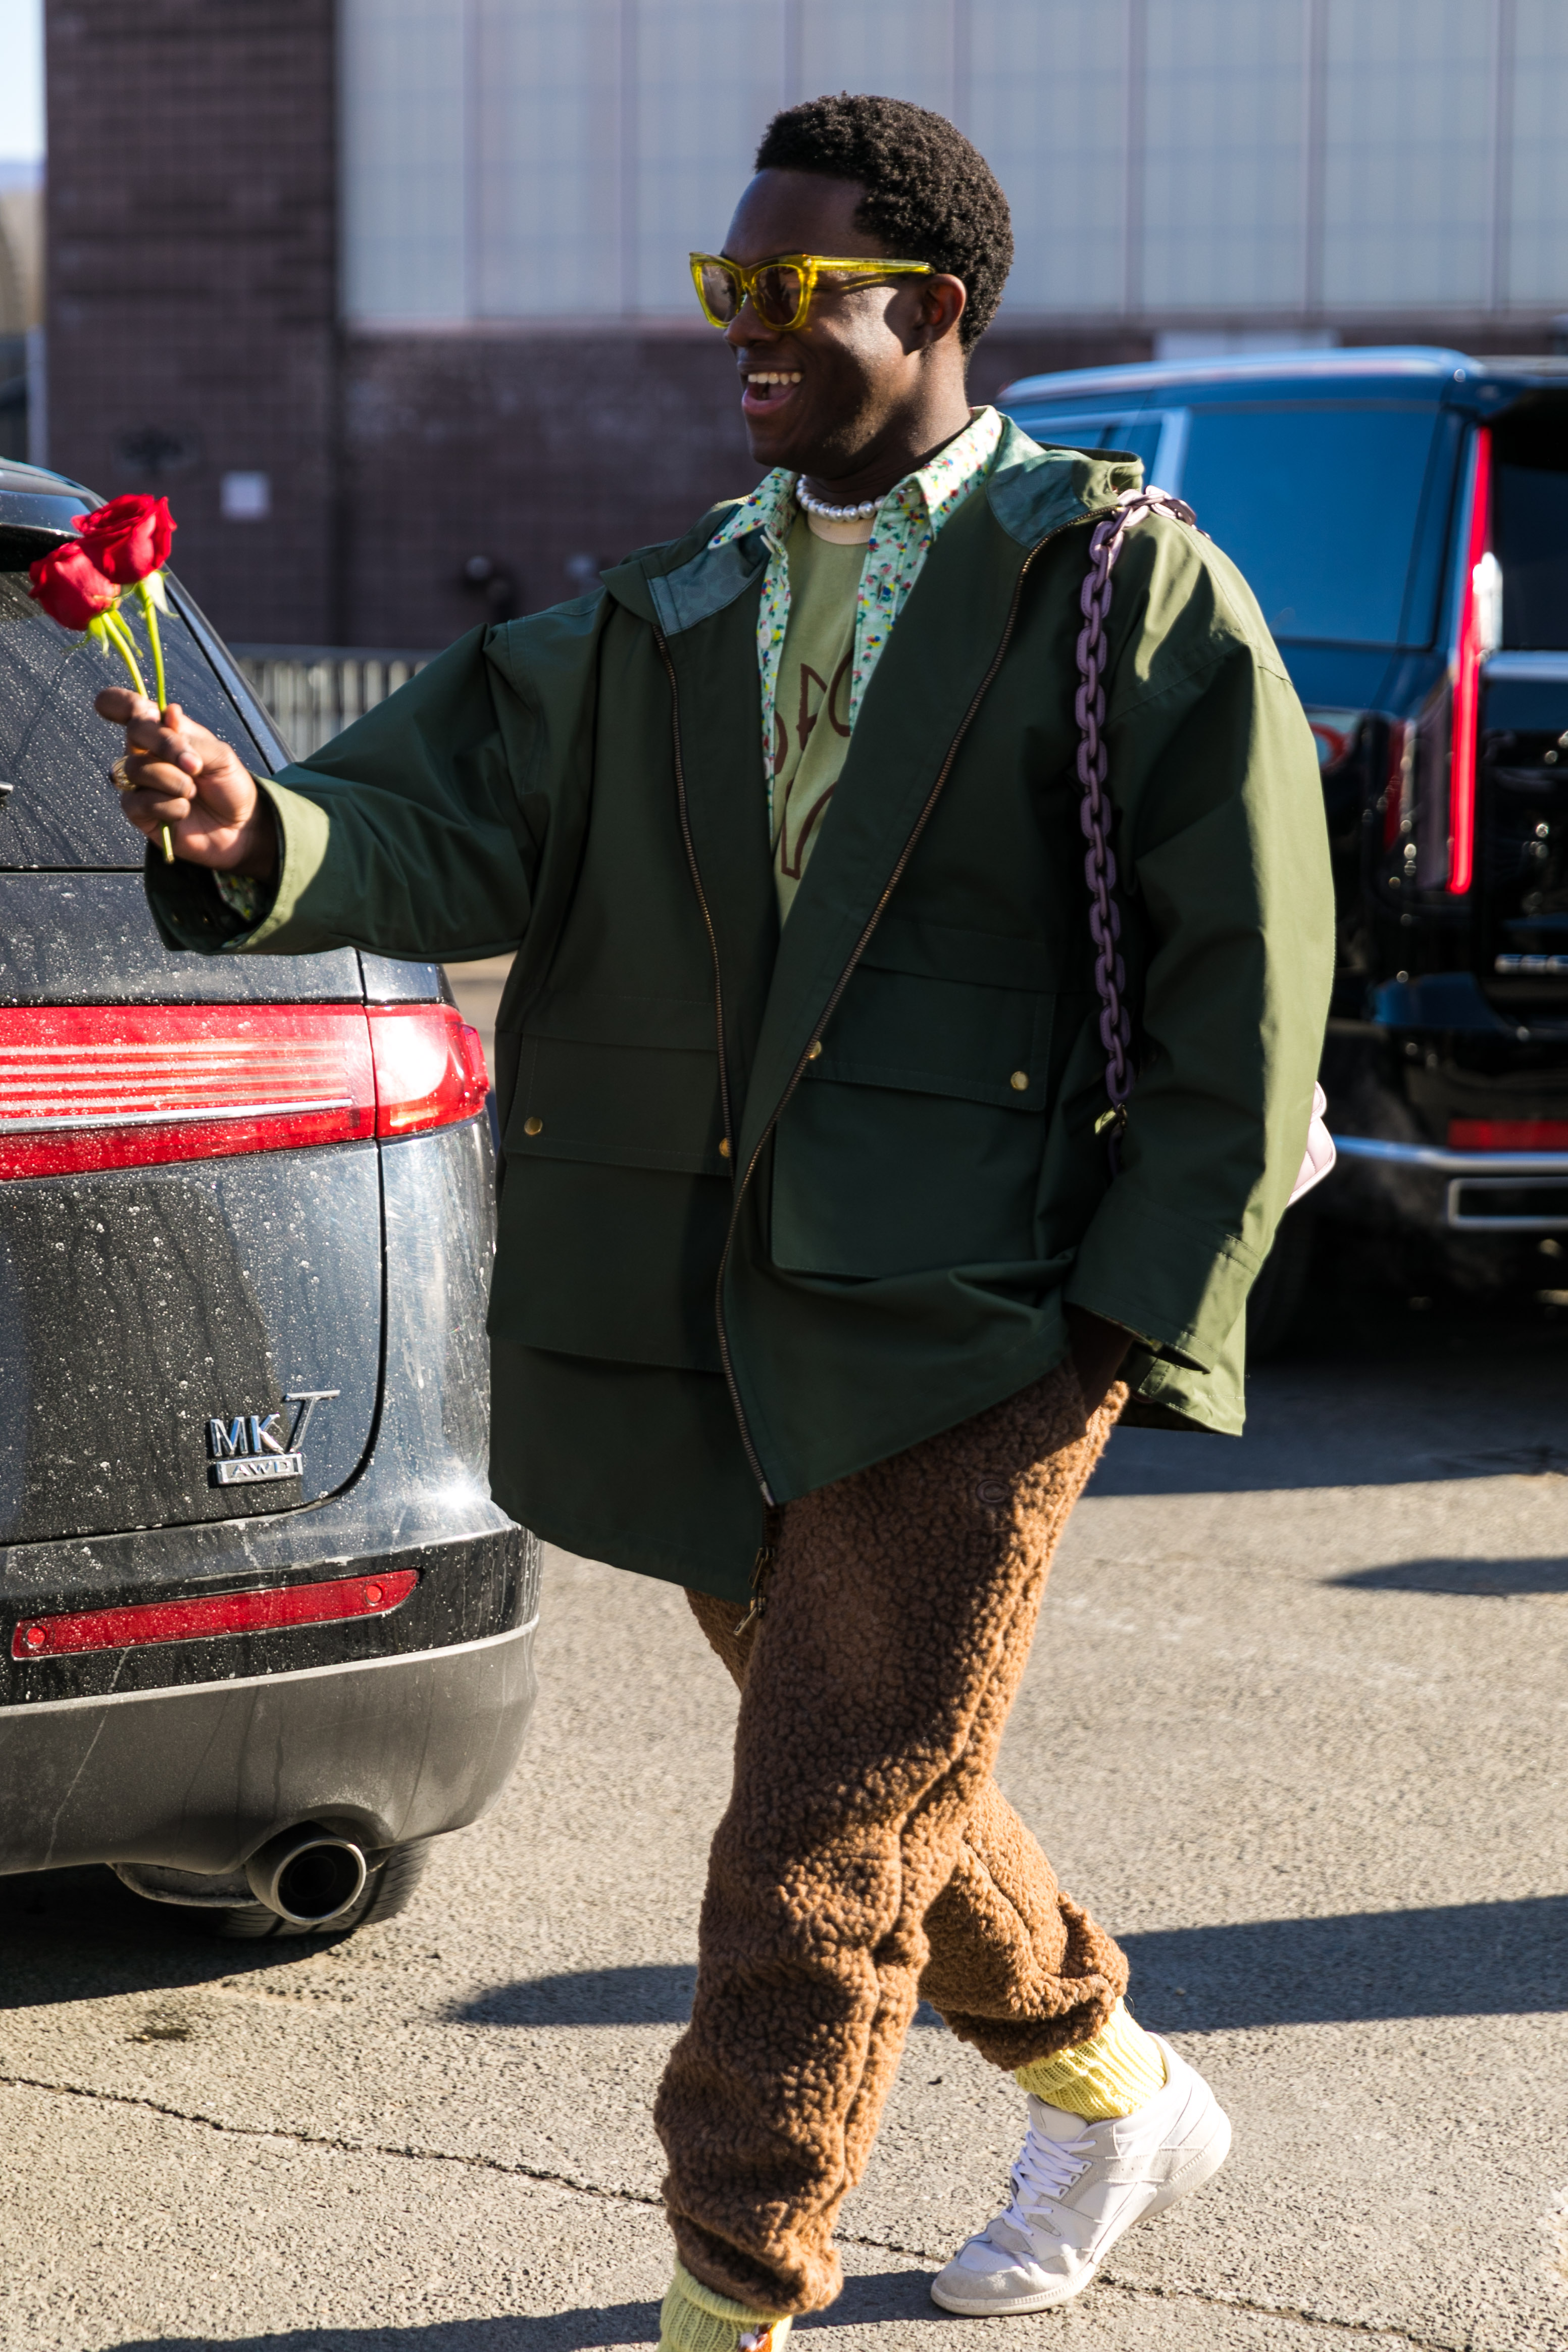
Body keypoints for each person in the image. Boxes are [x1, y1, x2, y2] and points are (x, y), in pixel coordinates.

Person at [103, 92, 1333, 2352]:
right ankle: (1108, 2082)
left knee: (812, 1843)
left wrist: (1125, 1322)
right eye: (721, 293)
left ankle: (726, 2295)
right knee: (872, 1763)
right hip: (702, 1317)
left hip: (982, 1320)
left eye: (786, 296)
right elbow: (440, 817)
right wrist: (251, 823)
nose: (740, 337)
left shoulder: (1121, 583)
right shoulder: (669, 607)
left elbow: (1252, 988)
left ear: (933, 307)